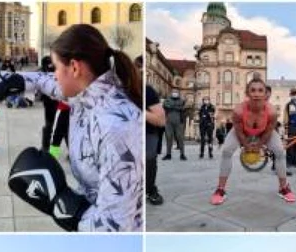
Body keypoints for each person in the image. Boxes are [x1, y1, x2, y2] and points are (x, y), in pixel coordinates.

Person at [10, 24, 142, 232]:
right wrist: (5, 80)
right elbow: (46, 83)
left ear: (74, 67)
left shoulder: (115, 127)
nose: (53, 75)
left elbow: (115, 227)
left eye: (55, 67)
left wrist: (66, 208)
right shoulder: (87, 95)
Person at [211, 76, 295, 205]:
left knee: (280, 152)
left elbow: (268, 131)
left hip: (263, 131)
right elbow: (238, 131)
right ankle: (220, 189)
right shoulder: (238, 111)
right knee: (226, 151)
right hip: (243, 131)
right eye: (253, 90)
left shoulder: (272, 112)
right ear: (247, 93)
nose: (256, 94)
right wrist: (246, 145)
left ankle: (283, 187)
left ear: (265, 93)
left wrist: (259, 145)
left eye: (260, 90)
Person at [141, 55, 166, 206]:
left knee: (149, 156)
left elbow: (161, 120)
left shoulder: (147, 91)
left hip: (148, 132)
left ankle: (150, 189)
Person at [162, 89, 186, 160]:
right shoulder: (167, 100)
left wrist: (173, 106)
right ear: (171, 93)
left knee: (180, 137)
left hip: (179, 122)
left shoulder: (181, 100)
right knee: (168, 137)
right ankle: (168, 154)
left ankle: (182, 154)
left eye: (176, 92)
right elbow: (165, 106)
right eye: (173, 92)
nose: (175, 93)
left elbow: (183, 107)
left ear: (178, 93)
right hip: (168, 121)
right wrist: (177, 107)